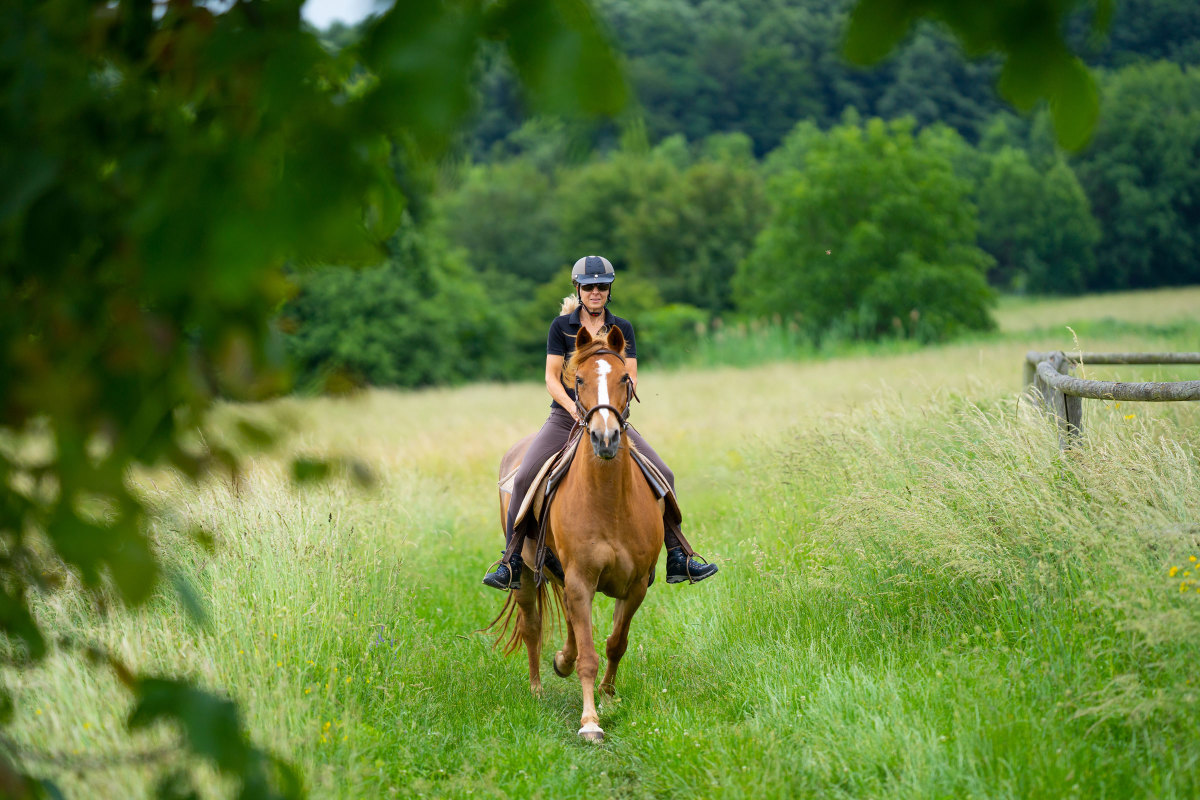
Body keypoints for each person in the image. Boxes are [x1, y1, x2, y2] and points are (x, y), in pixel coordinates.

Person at [483, 255, 719, 591]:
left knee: (664, 474)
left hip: (611, 417)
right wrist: (573, 408)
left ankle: (677, 554)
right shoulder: (561, 327)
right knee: (523, 477)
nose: (596, 292)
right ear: (578, 289)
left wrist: (614, 402)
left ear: (609, 291)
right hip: (566, 418)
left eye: (602, 287)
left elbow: (631, 372)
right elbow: (551, 377)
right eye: (590, 286)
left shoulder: (622, 328)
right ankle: (512, 561)